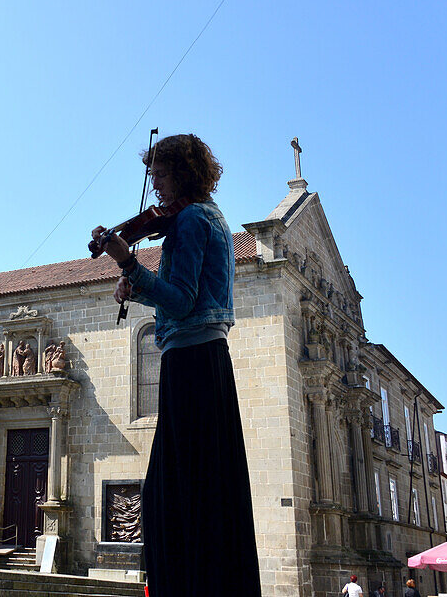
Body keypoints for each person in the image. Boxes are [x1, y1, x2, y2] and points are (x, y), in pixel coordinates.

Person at [92, 134, 258, 597]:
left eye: (161, 175)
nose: (156, 186)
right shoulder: (212, 219)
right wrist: (138, 281)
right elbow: (184, 295)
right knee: (204, 488)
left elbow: (182, 301)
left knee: (172, 498)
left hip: (189, 363)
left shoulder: (189, 222)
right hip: (206, 362)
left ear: (182, 173)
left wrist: (130, 263)